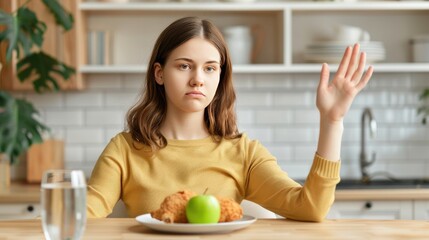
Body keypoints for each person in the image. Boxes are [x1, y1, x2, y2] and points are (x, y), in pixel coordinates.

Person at [86, 16, 373, 221]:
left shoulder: (243, 152)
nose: (198, 79)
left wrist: (332, 120)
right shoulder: (124, 149)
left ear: (220, 76)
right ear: (159, 73)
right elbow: (84, 215)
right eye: (184, 66)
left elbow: (311, 207)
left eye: (210, 68)